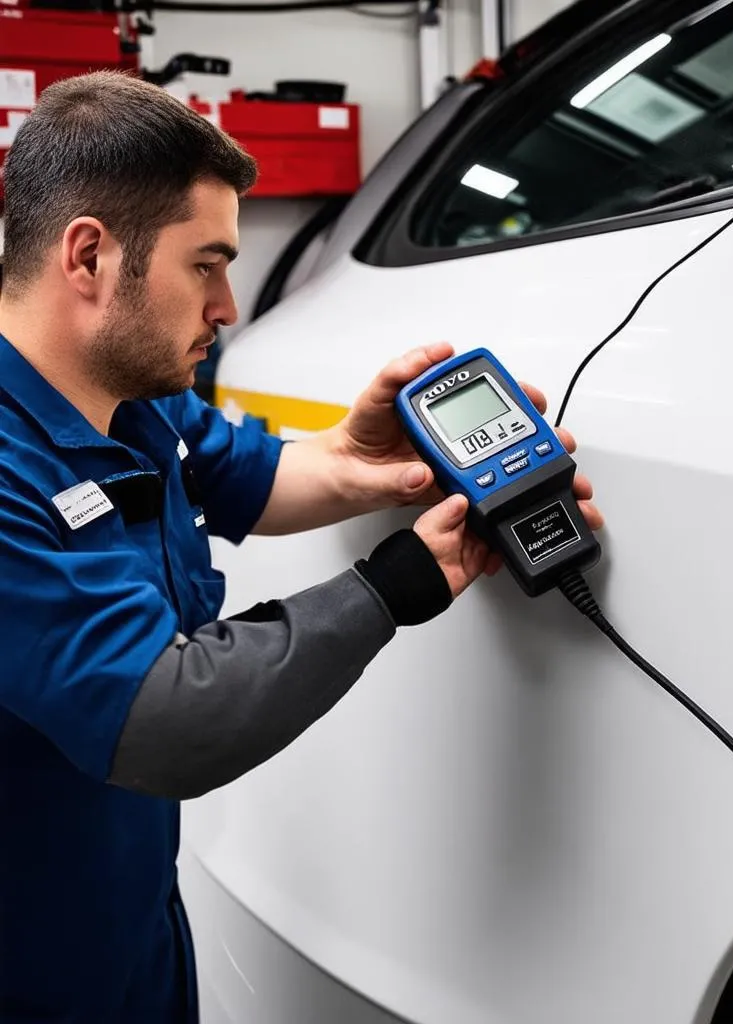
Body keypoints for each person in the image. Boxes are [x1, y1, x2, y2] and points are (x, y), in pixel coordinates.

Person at [0, 71, 603, 1023]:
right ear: (90, 257)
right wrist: (398, 583)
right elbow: (160, 717)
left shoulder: (134, 400)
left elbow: (253, 476)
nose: (229, 304)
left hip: (134, 930)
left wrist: (359, 453)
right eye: (206, 264)